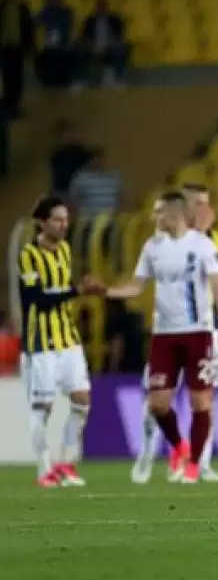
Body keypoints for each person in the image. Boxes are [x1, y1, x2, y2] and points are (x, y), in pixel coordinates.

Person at [107, 192, 218, 484]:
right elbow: (137, 286)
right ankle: (180, 446)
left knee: (201, 402)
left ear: (174, 213)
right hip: (163, 335)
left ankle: (194, 466)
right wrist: (105, 291)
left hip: (198, 332)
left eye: (158, 212)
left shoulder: (202, 245)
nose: (154, 217)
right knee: (158, 404)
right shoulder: (152, 247)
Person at [18, 196, 104, 486]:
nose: (63, 224)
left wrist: (79, 289)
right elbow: (36, 299)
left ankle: (66, 463)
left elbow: (62, 292)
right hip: (40, 342)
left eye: (66, 219)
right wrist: (78, 290)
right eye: (57, 219)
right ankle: (44, 470)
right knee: (42, 407)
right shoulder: (29, 255)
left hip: (68, 339)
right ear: (42, 223)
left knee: (82, 400)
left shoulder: (65, 250)